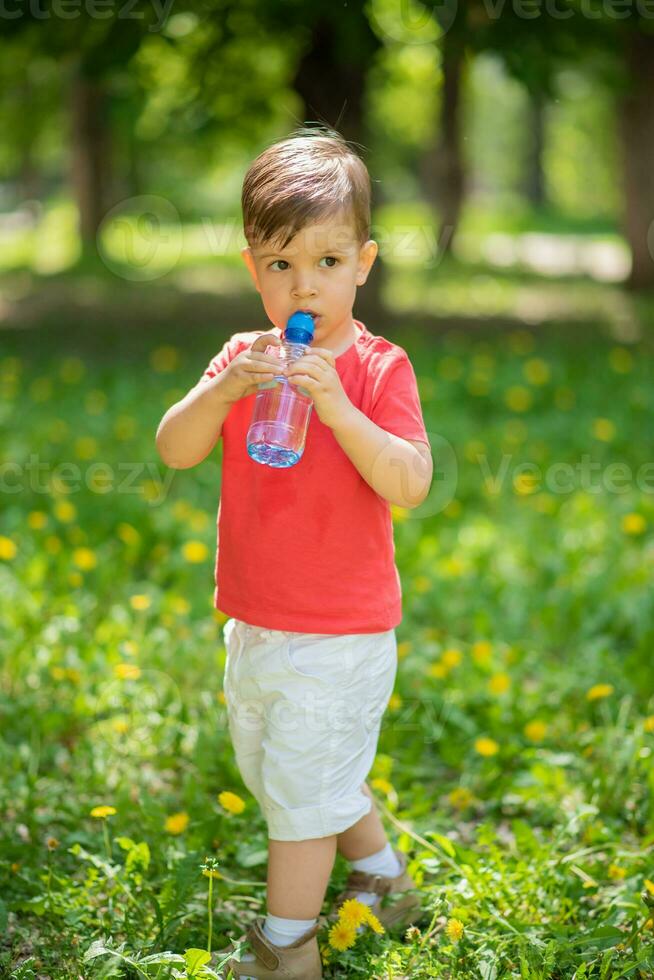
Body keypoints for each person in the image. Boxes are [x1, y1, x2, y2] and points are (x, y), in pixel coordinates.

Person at [155, 125, 433, 979]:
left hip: (341, 633)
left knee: (300, 803)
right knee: (289, 774)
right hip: (257, 621)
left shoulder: (380, 367)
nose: (303, 284)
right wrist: (225, 385)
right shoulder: (247, 358)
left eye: (327, 263)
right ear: (253, 270)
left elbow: (410, 481)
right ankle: (385, 880)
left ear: (364, 263)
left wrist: (341, 409)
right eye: (280, 265)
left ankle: (288, 950)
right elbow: (175, 448)